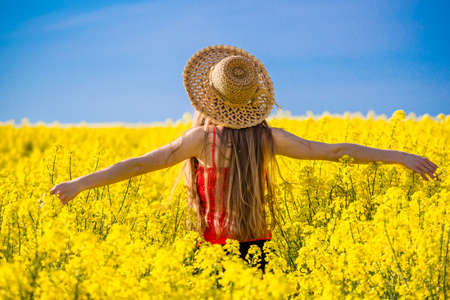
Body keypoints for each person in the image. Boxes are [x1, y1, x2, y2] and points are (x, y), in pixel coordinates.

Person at [49, 45, 440, 273]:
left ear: (209, 98)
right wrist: (401, 157)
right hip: (258, 248)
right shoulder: (269, 139)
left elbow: (138, 165)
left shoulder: (200, 141)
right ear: (253, 100)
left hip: (213, 251)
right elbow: (338, 152)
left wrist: (78, 184)